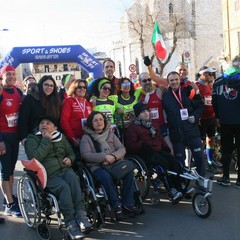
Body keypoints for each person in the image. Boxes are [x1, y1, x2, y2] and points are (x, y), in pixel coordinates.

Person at [25, 115, 91, 239]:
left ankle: (81, 214)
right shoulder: (32, 139)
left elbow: (71, 153)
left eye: (48, 123)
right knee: (63, 187)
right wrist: (46, 140)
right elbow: (35, 157)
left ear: (55, 127)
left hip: (65, 170)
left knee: (74, 179)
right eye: (42, 123)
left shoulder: (61, 138)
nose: (44, 125)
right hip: (47, 174)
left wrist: (70, 159)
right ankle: (71, 222)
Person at [80, 111, 141, 220]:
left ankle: (128, 204)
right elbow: (85, 155)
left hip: (114, 163)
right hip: (97, 166)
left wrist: (113, 156)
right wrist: (104, 157)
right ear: (90, 123)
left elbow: (122, 149)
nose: (99, 122)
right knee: (105, 177)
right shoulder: (86, 138)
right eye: (96, 120)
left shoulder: (110, 133)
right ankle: (116, 205)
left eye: (101, 119)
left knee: (128, 173)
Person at [125, 102, 186, 201]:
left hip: (156, 150)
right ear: (137, 114)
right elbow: (130, 147)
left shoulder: (153, 124)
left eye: (147, 111)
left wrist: (166, 147)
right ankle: (172, 189)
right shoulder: (133, 128)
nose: (146, 113)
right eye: (142, 112)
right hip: (144, 153)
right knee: (164, 164)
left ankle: (180, 185)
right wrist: (141, 144)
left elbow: (160, 139)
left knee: (174, 161)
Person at [162, 71, 205, 177]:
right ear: (168, 82)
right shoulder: (166, 96)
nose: (174, 82)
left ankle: (201, 181)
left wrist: (195, 116)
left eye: (176, 79)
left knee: (199, 157)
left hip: (192, 131)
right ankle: (182, 183)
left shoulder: (188, 91)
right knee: (180, 160)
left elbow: (200, 106)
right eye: (171, 80)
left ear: (179, 80)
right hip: (177, 134)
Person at [212, 55, 240, 187]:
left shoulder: (218, 81)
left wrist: (218, 116)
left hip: (225, 121)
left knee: (226, 150)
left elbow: (214, 102)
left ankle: (226, 177)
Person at [0, 65, 23, 217]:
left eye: (13, 74)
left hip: (14, 136)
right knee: (4, 171)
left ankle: (10, 197)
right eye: (8, 74)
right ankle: (9, 204)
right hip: (3, 136)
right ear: (2, 77)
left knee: (11, 169)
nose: (11, 77)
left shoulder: (18, 92)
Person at [137, 72, 174, 154]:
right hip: (148, 128)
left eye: (149, 79)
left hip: (161, 126)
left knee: (170, 148)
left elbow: (170, 87)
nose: (147, 82)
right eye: (144, 80)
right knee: (155, 151)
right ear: (140, 83)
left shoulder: (159, 90)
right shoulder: (139, 95)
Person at [18, 75, 61, 145]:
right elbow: (23, 119)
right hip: (34, 137)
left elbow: (57, 119)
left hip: (52, 136)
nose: (49, 87)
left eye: (51, 86)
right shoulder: (30, 98)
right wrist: (23, 137)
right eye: (46, 85)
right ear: (41, 85)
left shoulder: (55, 100)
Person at [196, 66, 222, 171]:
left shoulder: (209, 85)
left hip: (211, 117)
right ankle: (202, 164)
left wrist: (216, 116)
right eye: (209, 74)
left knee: (211, 139)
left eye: (212, 74)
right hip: (201, 119)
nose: (211, 76)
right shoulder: (196, 86)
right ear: (203, 74)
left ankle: (210, 161)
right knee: (201, 142)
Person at [60, 79, 92, 160]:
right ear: (74, 88)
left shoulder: (87, 103)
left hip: (87, 138)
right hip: (74, 139)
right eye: (79, 87)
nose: (82, 89)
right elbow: (64, 121)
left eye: (84, 87)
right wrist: (73, 138)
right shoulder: (69, 101)